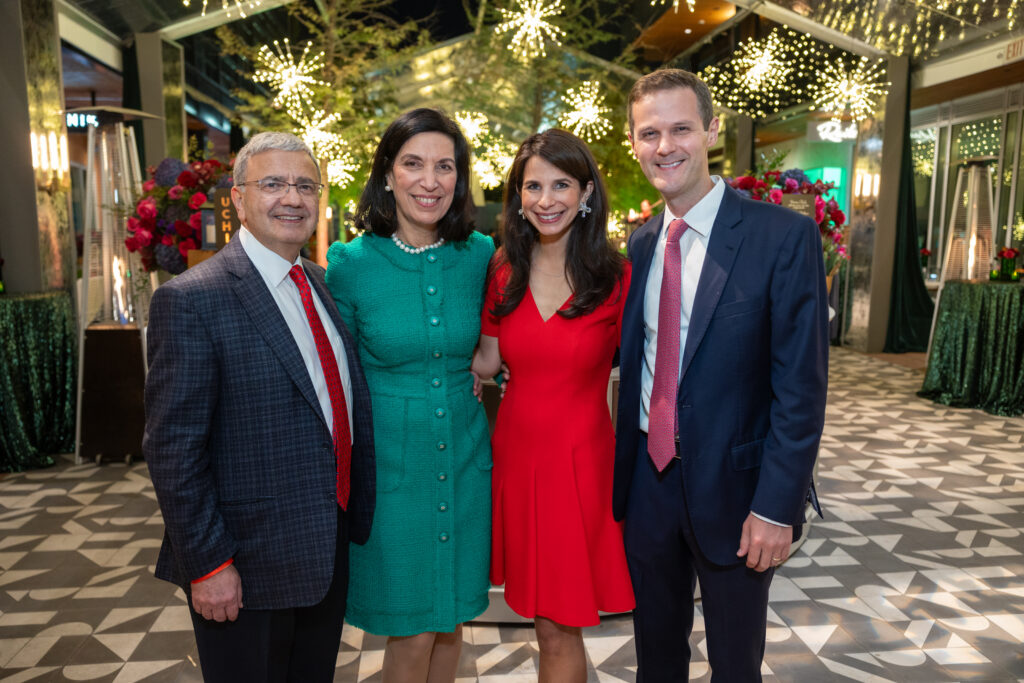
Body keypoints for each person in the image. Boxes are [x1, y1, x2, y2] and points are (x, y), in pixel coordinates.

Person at [613, 68, 828, 681]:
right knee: (656, 662)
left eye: (681, 129)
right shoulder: (641, 245)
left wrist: (777, 507)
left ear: (711, 132)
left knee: (735, 666)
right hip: (648, 486)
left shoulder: (782, 236)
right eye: (649, 133)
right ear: (634, 143)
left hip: (739, 495)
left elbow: (801, 390)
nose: (665, 146)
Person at [143, 131, 376, 682]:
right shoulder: (191, 299)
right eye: (273, 184)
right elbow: (173, 450)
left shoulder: (318, 282)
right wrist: (208, 564)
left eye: (305, 186)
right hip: (244, 567)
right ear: (239, 198)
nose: (292, 198)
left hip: (322, 551)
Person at [325, 108, 493, 683]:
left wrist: (486, 368)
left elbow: (503, 335)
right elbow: (336, 375)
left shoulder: (481, 255)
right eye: (413, 164)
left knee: (451, 622)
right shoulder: (352, 264)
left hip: (466, 464)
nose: (430, 180)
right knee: (413, 630)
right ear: (387, 174)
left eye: (445, 166)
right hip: (392, 475)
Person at [472, 128, 634, 683]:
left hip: (582, 467)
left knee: (561, 626)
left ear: (586, 192)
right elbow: (486, 361)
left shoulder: (617, 276)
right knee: (545, 623)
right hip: (517, 463)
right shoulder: (502, 270)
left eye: (561, 184)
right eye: (533, 186)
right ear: (518, 196)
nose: (546, 200)